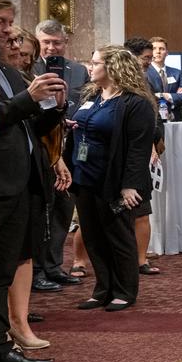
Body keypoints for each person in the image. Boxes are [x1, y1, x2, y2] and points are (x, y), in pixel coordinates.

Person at [0, 0, 66, 362]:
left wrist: (53, 106)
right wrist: (28, 99)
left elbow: (25, 124)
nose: (8, 31)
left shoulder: (4, 68)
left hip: (17, 183)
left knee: (0, 273)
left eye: (10, 22)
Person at [68, 45, 157, 311]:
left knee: (118, 236)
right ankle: (103, 288)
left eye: (95, 63)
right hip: (84, 177)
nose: (90, 66)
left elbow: (139, 149)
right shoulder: (93, 96)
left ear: (113, 67)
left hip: (114, 181)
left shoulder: (135, 103)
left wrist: (130, 185)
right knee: (93, 236)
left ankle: (125, 290)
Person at [3, 29, 69, 348]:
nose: (22, 54)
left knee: (24, 251)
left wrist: (57, 108)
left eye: (26, 51)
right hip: (1, 176)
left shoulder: (18, 79)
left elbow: (36, 129)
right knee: (4, 257)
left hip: (29, 171)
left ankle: (19, 322)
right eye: (15, 46)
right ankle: (5, 327)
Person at [31, 19, 87, 290]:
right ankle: (38, 269)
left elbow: (87, 100)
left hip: (73, 147)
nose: (52, 48)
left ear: (66, 43)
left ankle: (54, 266)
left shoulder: (77, 70)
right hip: (43, 147)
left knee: (65, 210)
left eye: (57, 42)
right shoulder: (30, 68)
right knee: (44, 210)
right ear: (38, 43)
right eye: (46, 42)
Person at [124, 36, 164, 276]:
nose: (148, 62)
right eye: (145, 58)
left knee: (142, 210)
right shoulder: (118, 83)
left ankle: (140, 260)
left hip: (141, 154)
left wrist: (155, 141)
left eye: (150, 58)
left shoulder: (146, 82)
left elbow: (153, 116)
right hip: (122, 153)